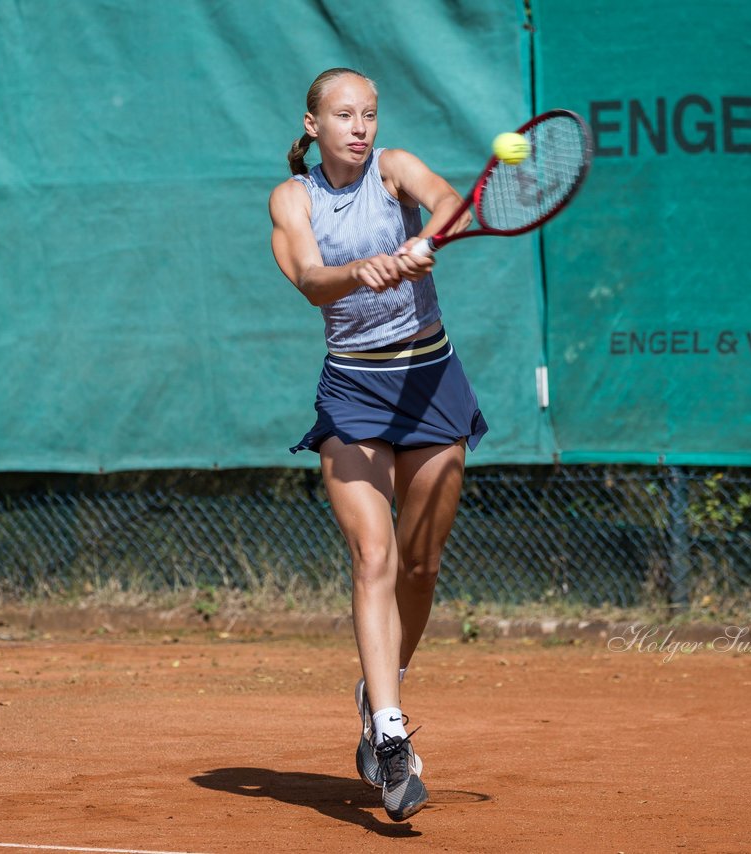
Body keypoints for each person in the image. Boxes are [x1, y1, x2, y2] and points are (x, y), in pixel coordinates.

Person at [268, 67, 488, 823]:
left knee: (420, 566)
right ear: (312, 125)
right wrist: (360, 271)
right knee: (374, 556)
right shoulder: (291, 199)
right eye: (343, 115)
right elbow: (307, 276)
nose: (360, 127)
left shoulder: (394, 171)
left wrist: (429, 240)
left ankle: (380, 685)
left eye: (368, 114)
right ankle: (391, 738)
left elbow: (455, 204)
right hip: (355, 393)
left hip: (431, 381)